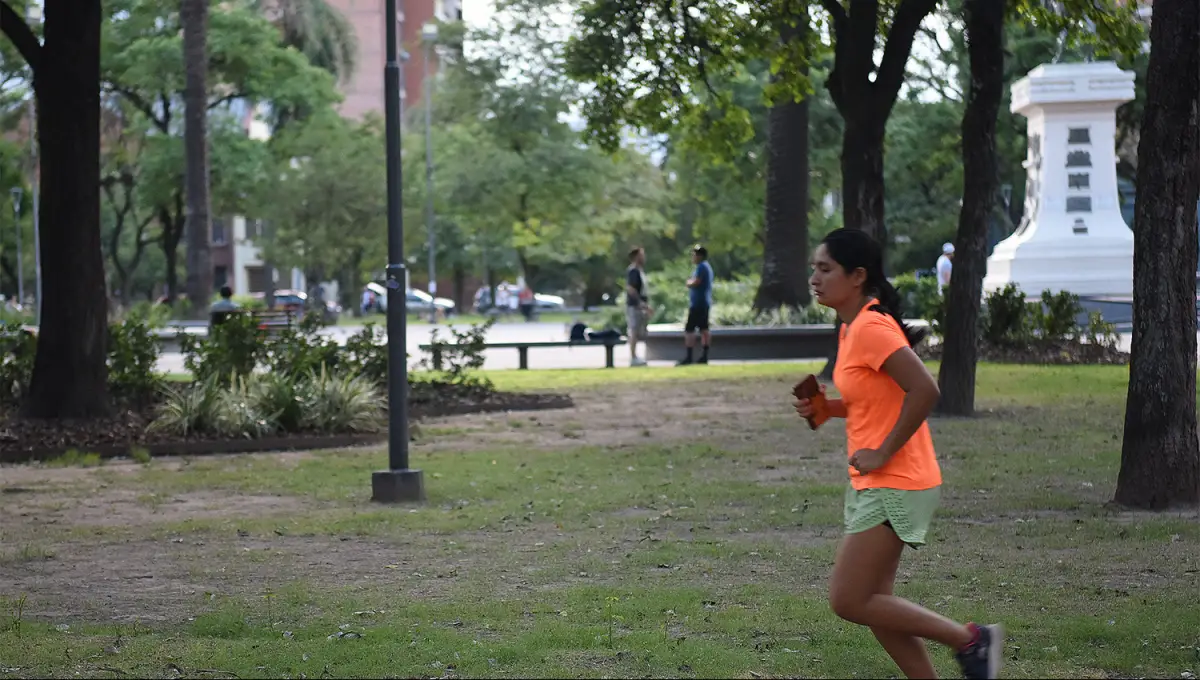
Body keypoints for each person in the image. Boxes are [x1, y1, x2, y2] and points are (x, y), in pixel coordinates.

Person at [794, 228, 1002, 680]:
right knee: (875, 603)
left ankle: (970, 640)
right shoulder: (854, 327)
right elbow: (875, 398)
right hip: (879, 480)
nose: (814, 277)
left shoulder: (870, 327)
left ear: (857, 276)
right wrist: (827, 408)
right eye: (814, 267)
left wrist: (883, 452)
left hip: (896, 479)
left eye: (825, 268)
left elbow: (925, 390)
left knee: (849, 599)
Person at [679, 244, 713, 365]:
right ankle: (704, 356)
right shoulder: (705, 267)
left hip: (698, 304)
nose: (693, 257)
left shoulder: (701, 267)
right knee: (704, 329)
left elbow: (696, 282)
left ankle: (689, 357)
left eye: (695, 255)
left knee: (689, 329)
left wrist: (689, 283)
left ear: (700, 256)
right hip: (703, 303)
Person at [625, 247, 651, 367]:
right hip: (635, 306)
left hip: (640, 306)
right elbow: (631, 289)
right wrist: (640, 303)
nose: (644, 257)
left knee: (639, 331)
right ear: (636, 256)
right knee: (634, 331)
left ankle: (637, 356)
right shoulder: (633, 271)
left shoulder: (640, 271)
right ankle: (633, 357)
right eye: (641, 255)